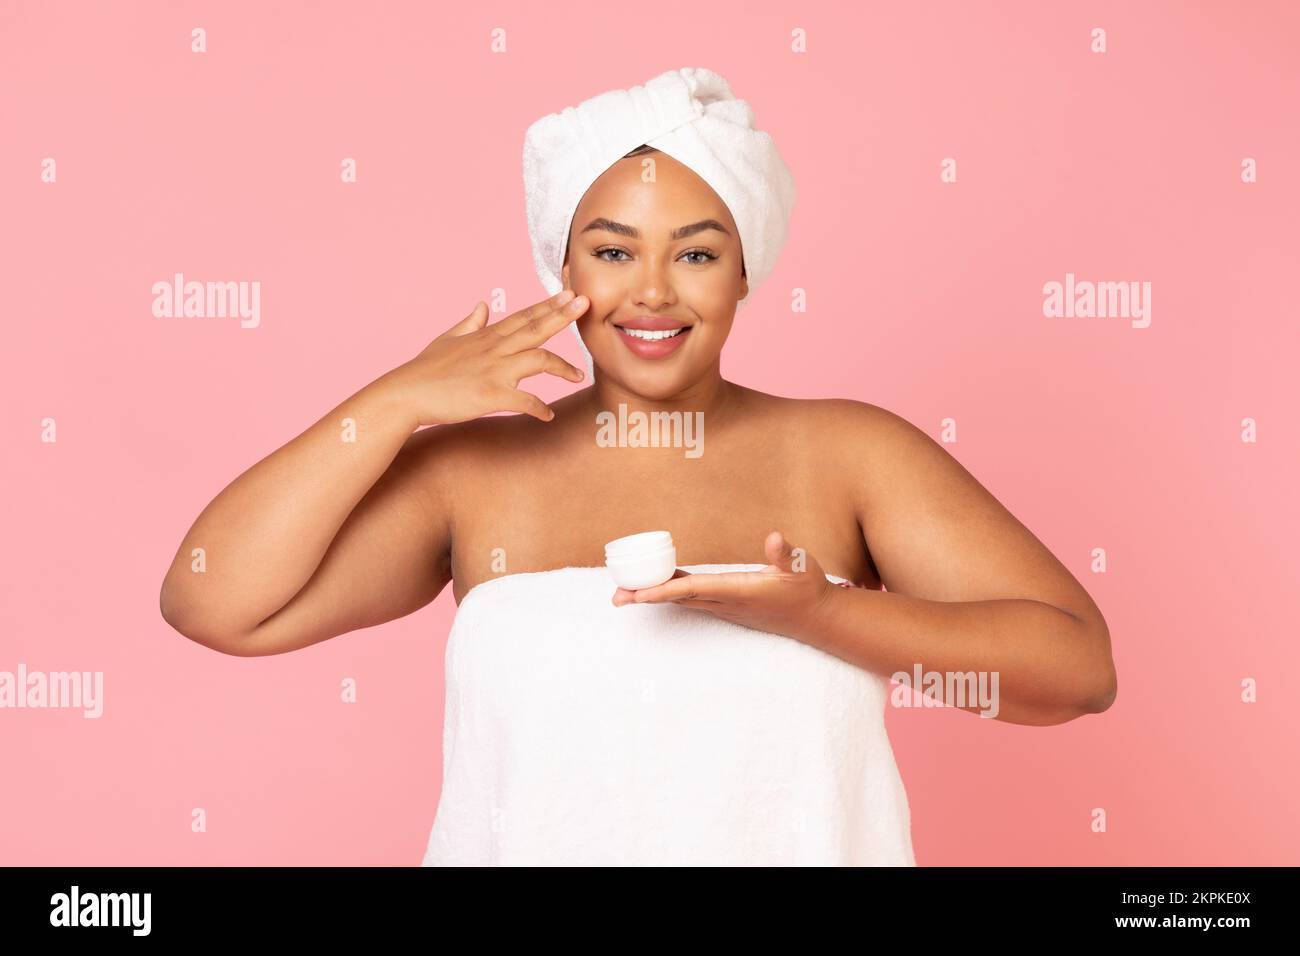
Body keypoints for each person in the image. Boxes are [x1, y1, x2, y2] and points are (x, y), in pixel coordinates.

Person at [159, 68, 1116, 866]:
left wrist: (828, 616)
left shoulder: (851, 454)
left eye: (696, 253)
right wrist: (396, 400)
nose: (651, 292)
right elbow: (214, 604)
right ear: (562, 270)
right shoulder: (470, 473)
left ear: (746, 269)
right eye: (612, 251)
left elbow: (1074, 675)